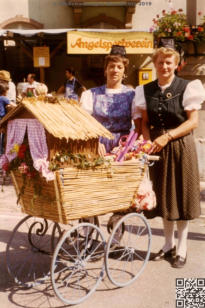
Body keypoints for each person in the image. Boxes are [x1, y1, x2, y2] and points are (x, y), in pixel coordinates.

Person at [134, 47, 205, 268]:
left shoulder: (188, 87)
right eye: (160, 62)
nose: (164, 67)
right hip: (157, 148)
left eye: (169, 63)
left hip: (181, 146)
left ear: (176, 65)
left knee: (181, 196)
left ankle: (182, 246)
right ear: (154, 65)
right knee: (164, 196)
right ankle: (167, 244)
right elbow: (144, 122)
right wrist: (146, 142)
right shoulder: (145, 90)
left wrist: (168, 136)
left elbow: (193, 122)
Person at [80, 45, 137, 155]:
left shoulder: (132, 95)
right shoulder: (90, 94)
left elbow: (138, 126)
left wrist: (128, 145)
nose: (115, 70)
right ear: (105, 70)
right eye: (111, 66)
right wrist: (93, 143)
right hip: (97, 146)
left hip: (123, 147)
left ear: (124, 72)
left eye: (119, 67)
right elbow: (84, 124)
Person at [0, 82, 16, 155]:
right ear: (3, 91)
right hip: (1, 119)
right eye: (7, 91)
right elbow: (14, 106)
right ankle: (1, 153)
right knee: (1, 136)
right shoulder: (3, 98)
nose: (7, 92)